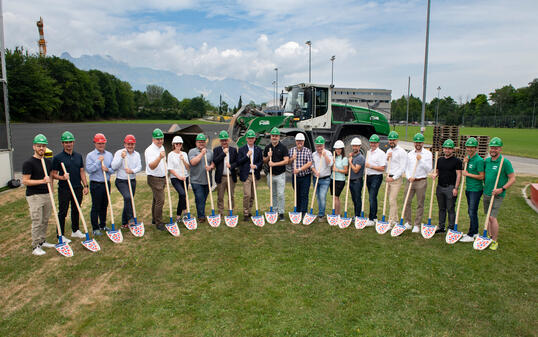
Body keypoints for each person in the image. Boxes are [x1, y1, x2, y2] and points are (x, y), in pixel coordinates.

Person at [22, 134, 57, 255]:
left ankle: (42, 241)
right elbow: (25, 181)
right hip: (34, 196)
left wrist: (51, 190)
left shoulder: (47, 162)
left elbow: (51, 177)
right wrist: (42, 181)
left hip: (47, 194)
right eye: (39, 146)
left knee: (45, 219)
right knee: (37, 220)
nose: (41, 148)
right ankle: (35, 246)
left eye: (43, 146)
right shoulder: (29, 163)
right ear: (34, 147)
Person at [50, 131, 88, 239]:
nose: (68, 144)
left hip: (77, 187)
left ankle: (75, 230)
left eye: (70, 142)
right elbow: (53, 174)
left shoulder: (78, 156)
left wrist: (85, 185)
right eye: (66, 142)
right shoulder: (58, 158)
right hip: (64, 189)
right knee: (63, 212)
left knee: (76, 209)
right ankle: (60, 234)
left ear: (73, 142)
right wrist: (62, 177)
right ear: (62, 143)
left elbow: (81, 171)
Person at [482, 137, 516, 250]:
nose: (493, 150)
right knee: (487, 217)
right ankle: (489, 236)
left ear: (500, 149)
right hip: (487, 192)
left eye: (495, 148)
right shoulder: (486, 161)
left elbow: (512, 178)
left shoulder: (504, 162)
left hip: (497, 194)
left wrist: (502, 189)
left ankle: (494, 241)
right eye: (491, 147)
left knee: (492, 217)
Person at [85, 133, 114, 236]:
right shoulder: (90, 155)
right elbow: (89, 170)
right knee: (96, 206)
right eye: (99, 143)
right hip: (96, 184)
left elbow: (112, 169)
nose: (101, 145)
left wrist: (108, 169)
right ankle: (95, 228)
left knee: (104, 205)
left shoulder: (109, 155)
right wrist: (98, 162)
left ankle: (103, 225)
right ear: (95, 143)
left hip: (106, 183)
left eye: (103, 143)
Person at [404, 133, 433, 233]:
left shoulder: (428, 154)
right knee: (407, 201)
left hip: (421, 181)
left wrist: (421, 160)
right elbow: (406, 168)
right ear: (414, 143)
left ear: (423, 143)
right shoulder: (410, 154)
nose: (418, 144)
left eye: (420, 142)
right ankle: (408, 222)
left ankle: (417, 224)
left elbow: (429, 169)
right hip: (410, 180)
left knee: (420, 203)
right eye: (416, 142)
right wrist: (409, 177)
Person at [431, 139, 462, 234]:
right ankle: (441, 227)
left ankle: (451, 228)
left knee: (450, 208)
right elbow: (437, 171)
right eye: (446, 148)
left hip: (450, 188)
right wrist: (435, 174)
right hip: (440, 187)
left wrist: (456, 188)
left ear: (453, 150)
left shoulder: (457, 161)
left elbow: (459, 175)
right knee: (441, 208)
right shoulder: (440, 160)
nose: (447, 150)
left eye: (449, 149)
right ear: (443, 149)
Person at [111, 134, 142, 229]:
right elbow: (114, 166)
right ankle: (130, 219)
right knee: (128, 198)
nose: (130, 146)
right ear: (124, 144)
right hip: (121, 181)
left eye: (132, 144)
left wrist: (132, 171)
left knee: (129, 200)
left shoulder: (137, 154)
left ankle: (124, 223)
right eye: (128, 144)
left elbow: (140, 167)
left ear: (134, 144)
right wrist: (121, 157)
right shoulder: (119, 153)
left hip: (132, 180)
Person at [460, 137, 485, 242]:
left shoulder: (479, 160)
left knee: (472, 211)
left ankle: (471, 234)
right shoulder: (468, 158)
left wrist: (468, 174)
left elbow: (482, 176)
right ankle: (475, 232)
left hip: (476, 189)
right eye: (468, 147)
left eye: (472, 147)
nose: (469, 149)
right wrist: (464, 162)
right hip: (469, 188)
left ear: (476, 148)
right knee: (471, 211)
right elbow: (465, 170)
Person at [263, 127, 290, 221]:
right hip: (270, 175)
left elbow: (286, 161)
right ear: (271, 136)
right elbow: (264, 160)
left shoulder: (283, 147)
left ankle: (281, 212)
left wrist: (274, 164)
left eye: (276, 136)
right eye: (273, 136)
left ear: (279, 137)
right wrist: (268, 157)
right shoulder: (267, 147)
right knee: (273, 194)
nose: (274, 137)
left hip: (280, 175)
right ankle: (274, 211)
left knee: (280, 194)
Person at [237, 130, 263, 221]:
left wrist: (255, 166)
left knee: (252, 195)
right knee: (247, 195)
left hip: (255, 175)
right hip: (246, 175)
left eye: (252, 138)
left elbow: (261, 162)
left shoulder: (258, 149)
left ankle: (250, 211)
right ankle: (245, 213)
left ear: (255, 139)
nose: (250, 139)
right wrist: (247, 156)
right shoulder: (242, 149)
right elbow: (239, 162)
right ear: (246, 139)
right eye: (249, 138)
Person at [188, 133, 215, 223]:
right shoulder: (192, 151)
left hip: (207, 180)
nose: (201, 144)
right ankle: (201, 217)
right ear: (196, 143)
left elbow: (213, 163)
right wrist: (201, 154)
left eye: (203, 142)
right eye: (199, 142)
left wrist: (211, 167)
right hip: (196, 180)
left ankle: (200, 212)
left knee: (202, 199)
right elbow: (193, 162)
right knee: (200, 198)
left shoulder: (210, 152)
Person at [144, 128, 167, 231]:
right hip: (154, 178)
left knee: (156, 199)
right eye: (158, 139)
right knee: (160, 200)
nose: (160, 141)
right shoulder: (150, 150)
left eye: (161, 138)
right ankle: (159, 222)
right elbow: (152, 166)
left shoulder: (161, 147)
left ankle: (154, 218)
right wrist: (159, 157)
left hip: (162, 177)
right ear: (153, 139)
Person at [213, 130, 238, 215]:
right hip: (221, 176)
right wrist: (223, 153)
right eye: (222, 140)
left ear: (228, 140)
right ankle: (220, 212)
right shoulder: (216, 150)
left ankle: (231, 211)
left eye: (225, 140)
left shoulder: (234, 150)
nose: (224, 142)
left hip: (231, 176)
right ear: (220, 141)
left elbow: (237, 162)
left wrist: (232, 165)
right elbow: (215, 161)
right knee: (220, 196)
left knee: (231, 196)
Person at [385, 131, 407, 228]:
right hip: (388, 177)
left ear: (397, 140)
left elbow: (402, 168)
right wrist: (387, 158)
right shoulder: (388, 151)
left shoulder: (402, 152)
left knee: (392, 200)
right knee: (391, 200)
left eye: (393, 140)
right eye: (390, 140)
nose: (391, 141)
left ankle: (390, 221)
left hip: (396, 179)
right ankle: (396, 220)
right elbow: (386, 165)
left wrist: (393, 178)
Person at [167, 136, 190, 223]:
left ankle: (180, 215)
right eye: (177, 144)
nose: (178, 145)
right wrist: (179, 176)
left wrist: (183, 160)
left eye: (180, 144)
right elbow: (170, 169)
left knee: (183, 196)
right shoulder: (170, 155)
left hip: (185, 177)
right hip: (175, 178)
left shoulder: (184, 154)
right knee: (182, 194)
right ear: (173, 144)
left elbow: (188, 167)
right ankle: (181, 213)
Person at [365, 134, 387, 226]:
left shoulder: (381, 153)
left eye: (374, 142)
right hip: (368, 176)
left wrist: (370, 166)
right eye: (371, 142)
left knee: (372, 197)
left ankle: (371, 218)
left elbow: (382, 168)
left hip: (376, 177)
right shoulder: (368, 152)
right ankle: (374, 217)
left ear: (378, 143)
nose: (373, 144)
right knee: (372, 197)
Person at [289, 133, 313, 215]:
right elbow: (288, 162)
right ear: (295, 141)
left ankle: (304, 212)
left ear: (303, 141)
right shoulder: (292, 150)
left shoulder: (307, 151)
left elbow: (309, 163)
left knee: (304, 194)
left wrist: (299, 170)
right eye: (298, 141)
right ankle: (298, 211)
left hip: (305, 176)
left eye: (301, 141)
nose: (300, 142)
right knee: (297, 193)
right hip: (295, 177)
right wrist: (292, 158)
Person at [311, 136, 334, 222]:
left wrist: (325, 156)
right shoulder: (313, 154)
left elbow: (330, 164)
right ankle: (320, 212)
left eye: (321, 146)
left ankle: (321, 215)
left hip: (325, 179)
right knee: (317, 196)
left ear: (324, 145)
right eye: (317, 146)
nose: (319, 148)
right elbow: (311, 165)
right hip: (316, 178)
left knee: (322, 196)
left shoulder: (328, 153)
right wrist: (315, 171)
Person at [348, 137, 365, 218]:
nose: (355, 147)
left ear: (359, 147)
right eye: (353, 146)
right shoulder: (353, 156)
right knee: (354, 199)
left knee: (357, 199)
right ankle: (356, 215)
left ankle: (358, 216)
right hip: (351, 181)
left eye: (356, 146)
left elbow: (355, 170)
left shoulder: (360, 158)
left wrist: (350, 162)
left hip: (357, 181)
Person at [330, 140, 348, 215]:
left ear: (342, 149)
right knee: (334, 197)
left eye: (339, 149)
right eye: (336, 149)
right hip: (333, 178)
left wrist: (337, 170)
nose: (338, 150)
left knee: (336, 197)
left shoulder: (344, 159)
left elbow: (346, 171)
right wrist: (332, 163)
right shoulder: (334, 157)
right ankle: (335, 213)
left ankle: (337, 214)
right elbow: (331, 168)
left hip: (340, 180)